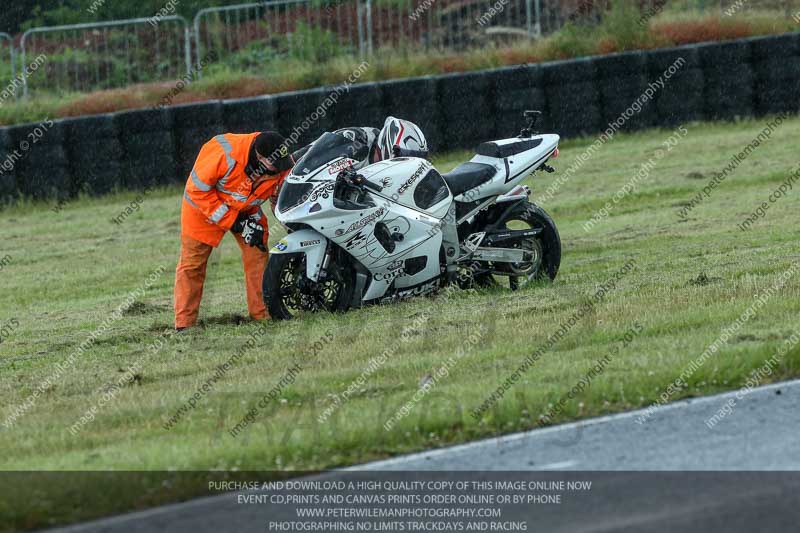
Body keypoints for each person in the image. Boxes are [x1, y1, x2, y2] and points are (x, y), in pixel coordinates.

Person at [174, 131, 294, 331]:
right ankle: (184, 325)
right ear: (259, 156)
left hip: (247, 210)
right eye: (275, 166)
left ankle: (261, 315)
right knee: (192, 265)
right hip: (202, 209)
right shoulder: (223, 152)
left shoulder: (281, 161)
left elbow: (282, 195)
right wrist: (234, 221)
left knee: (258, 255)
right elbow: (197, 191)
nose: (280, 170)